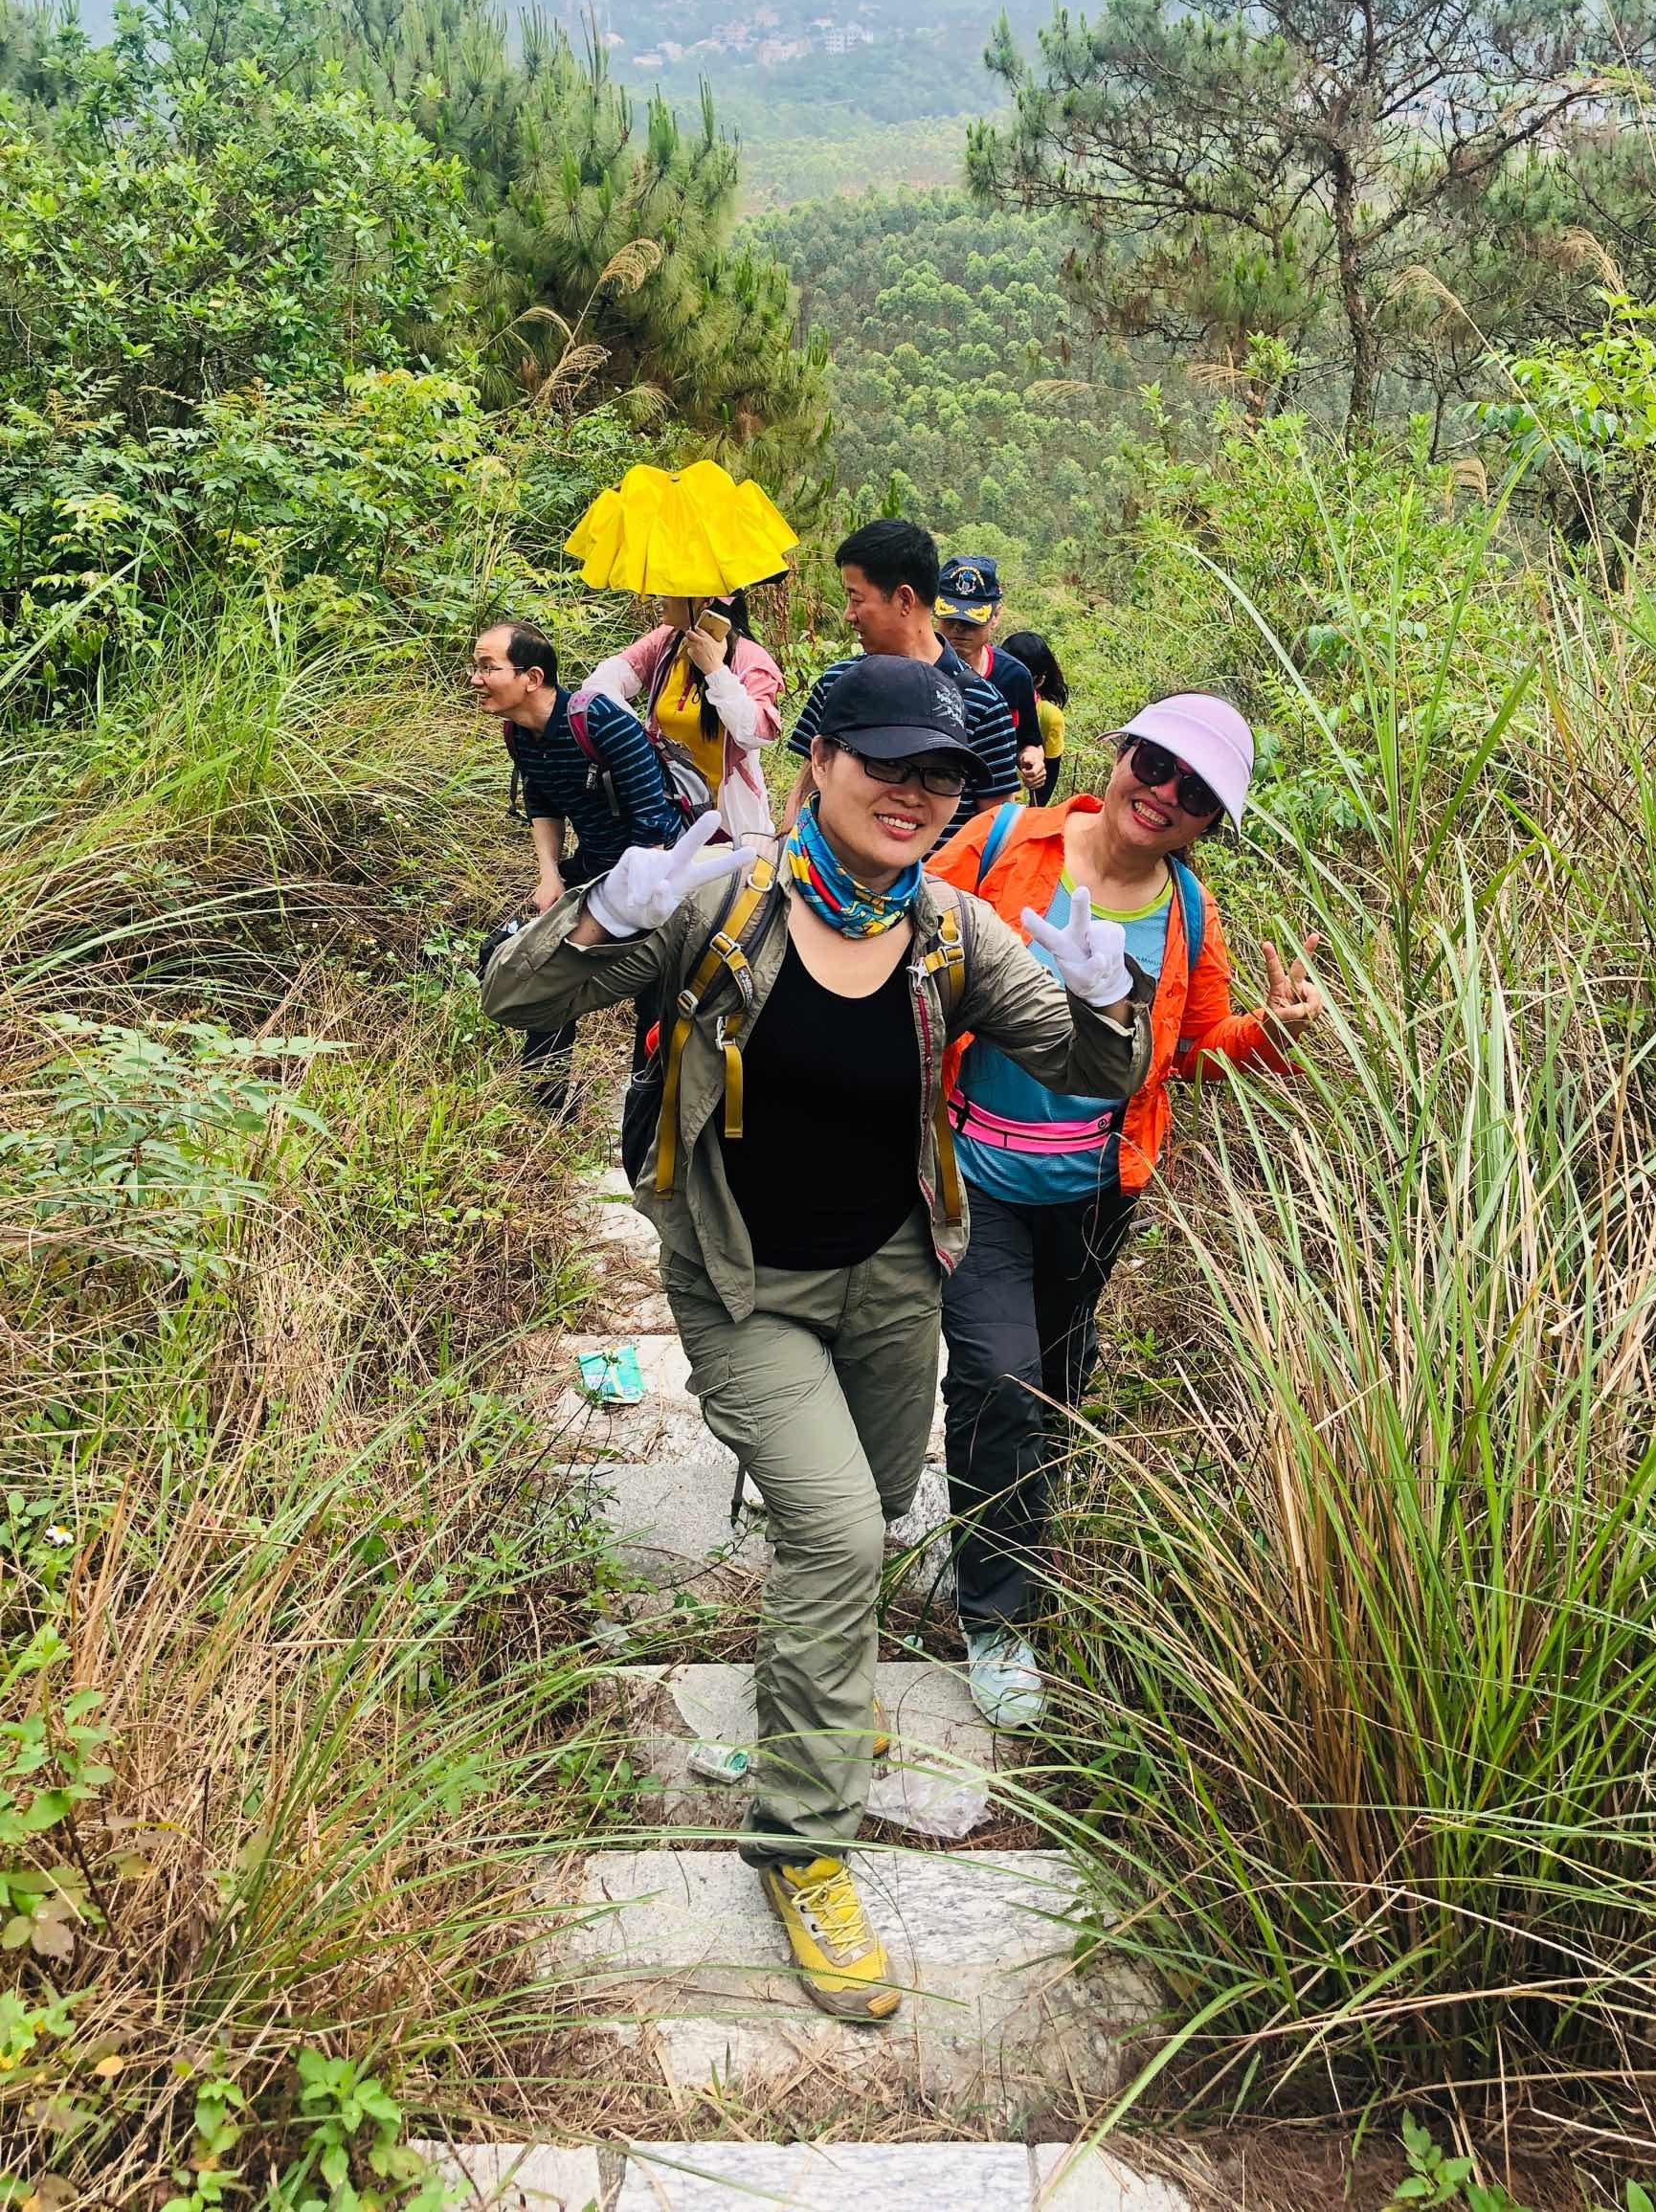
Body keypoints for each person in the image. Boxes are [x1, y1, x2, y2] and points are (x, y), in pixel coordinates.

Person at [480, 658, 1152, 2023]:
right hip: (745, 1284)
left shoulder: (956, 931)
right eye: (885, 764)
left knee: (862, 1514)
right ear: (818, 763)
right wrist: (604, 915)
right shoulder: (723, 901)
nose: (912, 794)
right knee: (844, 1533)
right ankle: (802, 1843)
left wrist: (1111, 998)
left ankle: (813, 1676)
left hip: (896, 1278)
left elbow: (1096, 1069)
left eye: (941, 777)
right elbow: (514, 998)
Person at [933, 693, 1326, 1730]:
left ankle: (991, 1523)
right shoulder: (1003, 842)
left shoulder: (1188, 913)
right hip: (975, 1177)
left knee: (1055, 1382)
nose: (1162, 793)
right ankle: (994, 1614)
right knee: (1000, 1376)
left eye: (1192, 791)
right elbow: (910, 947)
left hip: (1096, 1190)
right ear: (1116, 756)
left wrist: (1270, 1031)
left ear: (1206, 822)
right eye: (1152, 764)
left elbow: (1189, 1051)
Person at [470, 620, 681, 1116]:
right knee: (544, 965)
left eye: (487, 667)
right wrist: (551, 875)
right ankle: (545, 1108)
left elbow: (653, 818)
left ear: (532, 677)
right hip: (594, 865)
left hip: (650, 874)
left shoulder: (600, 720)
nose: (475, 678)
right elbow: (543, 804)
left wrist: (618, 905)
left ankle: (647, 1107)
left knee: (654, 996)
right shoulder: (520, 733)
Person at [784, 518, 1018, 847]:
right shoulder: (837, 683)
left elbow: (995, 830)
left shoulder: (982, 704)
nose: (848, 615)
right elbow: (807, 787)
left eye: (856, 598)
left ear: (905, 600)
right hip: (829, 888)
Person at [576, 591, 784, 844]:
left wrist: (715, 670)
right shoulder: (667, 642)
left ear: (705, 600)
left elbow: (756, 733)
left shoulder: (750, 658)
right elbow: (600, 683)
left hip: (727, 824)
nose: (658, 598)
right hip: (669, 811)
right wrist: (632, 733)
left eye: (669, 591)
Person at [933, 556, 1045, 795]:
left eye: (971, 621)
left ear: (995, 617)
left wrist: (1032, 759)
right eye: (951, 618)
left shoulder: (1014, 676)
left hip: (988, 810)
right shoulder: (915, 668)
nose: (959, 628)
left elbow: (1030, 739)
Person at [1001, 629, 1069, 804]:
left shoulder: (1048, 716)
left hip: (1015, 812)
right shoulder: (984, 700)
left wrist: (1034, 816)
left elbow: (1049, 774)